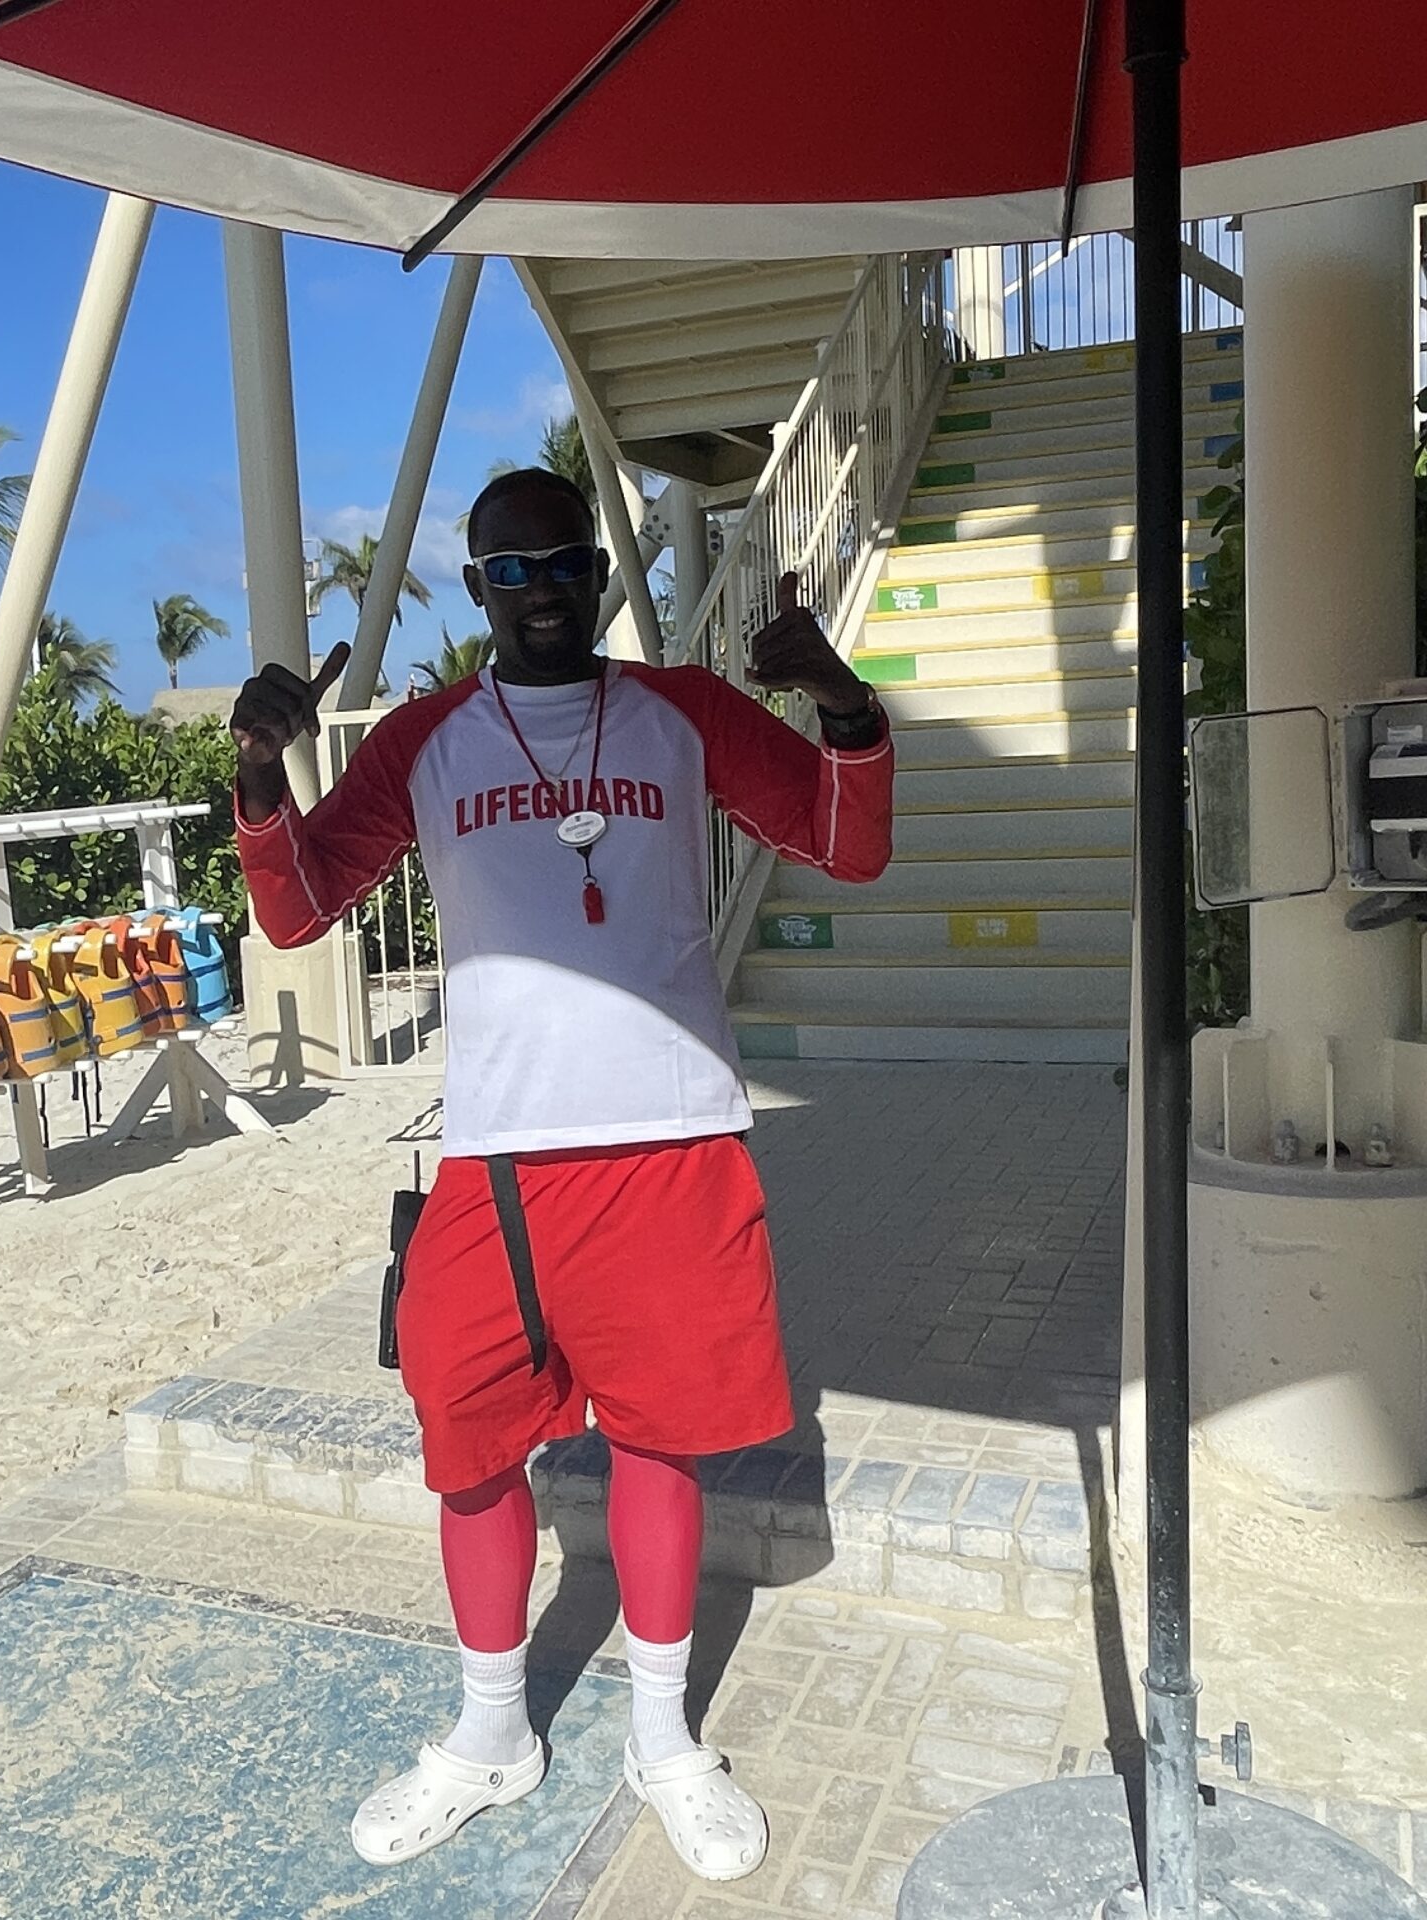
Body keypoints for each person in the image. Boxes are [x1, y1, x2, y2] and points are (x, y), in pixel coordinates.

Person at [230, 467, 892, 1882]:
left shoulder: (685, 715)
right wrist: (254, 781)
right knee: (467, 1455)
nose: (542, 588)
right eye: (511, 569)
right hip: (498, 1163)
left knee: (660, 1444)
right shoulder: (424, 741)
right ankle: (491, 1735)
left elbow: (848, 845)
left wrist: (841, 703)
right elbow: (298, 911)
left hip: (668, 1141)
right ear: (476, 591)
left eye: (563, 563)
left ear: (598, 572)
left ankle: (664, 1738)